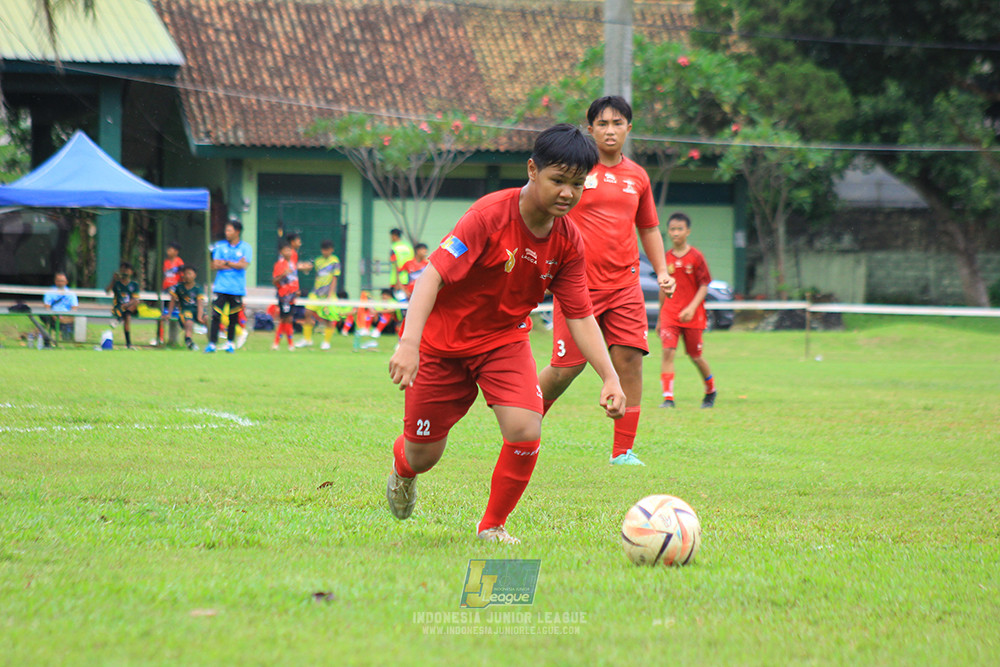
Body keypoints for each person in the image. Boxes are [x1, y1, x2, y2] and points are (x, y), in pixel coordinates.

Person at [385, 124, 627, 545]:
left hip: (503, 341)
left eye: (577, 184)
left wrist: (609, 376)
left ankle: (492, 526)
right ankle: (404, 471)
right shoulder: (488, 216)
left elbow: (581, 315)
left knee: (525, 428)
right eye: (558, 180)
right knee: (423, 455)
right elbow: (431, 276)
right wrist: (409, 344)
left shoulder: (569, 241)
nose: (567, 193)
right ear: (532, 170)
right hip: (442, 345)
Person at [537, 95, 675, 467]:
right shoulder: (575, 173)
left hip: (626, 285)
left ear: (629, 128)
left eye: (617, 123)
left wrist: (662, 271)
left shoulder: (638, 176)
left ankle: (622, 452)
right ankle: (524, 423)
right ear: (590, 128)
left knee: (630, 359)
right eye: (602, 124)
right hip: (577, 286)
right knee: (567, 367)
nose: (610, 131)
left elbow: (649, 228)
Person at [658, 211, 717, 409]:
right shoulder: (665, 258)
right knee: (667, 352)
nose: (675, 233)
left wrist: (692, 308)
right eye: (672, 229)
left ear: (687, 231)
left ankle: (710, 390)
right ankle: (668, 398)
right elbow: (663, 288)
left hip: (693, 315)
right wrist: (660, 317)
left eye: (679, 229)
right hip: (670, 314)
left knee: (695, 356)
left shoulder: (696, 257)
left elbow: (704, 285)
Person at [206, 221, 252, 353]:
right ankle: (212, 343)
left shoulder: (246, 247)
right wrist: (234, 264)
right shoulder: (220, 246)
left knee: (233, 317)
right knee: (215, 315)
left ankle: (230, 343)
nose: (226, 233)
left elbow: (243, 265)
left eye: (229, 230)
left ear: (237, 232)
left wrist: (225, 263)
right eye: (226, 230)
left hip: (237, 288)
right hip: (221, 286)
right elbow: (215, 265)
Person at [299, 239, 342, 348]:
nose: (325, 252)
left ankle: (326, 342)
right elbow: (316, 275)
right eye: (323, 250)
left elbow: (334, 278)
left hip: (328, 294)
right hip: (316, 293)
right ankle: (307, 339)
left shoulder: (335, 261)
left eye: (327, 250)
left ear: (331, 250)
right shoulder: (318, 261)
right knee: (307, 312)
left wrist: (330, 295)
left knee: (328, 317)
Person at [167, 265, 206, 351]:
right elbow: (172, 301)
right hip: (186, 310)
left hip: (197, 310)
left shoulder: (198, 288)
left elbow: (200, 303)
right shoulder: (179, 287)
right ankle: (189, 341)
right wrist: (169, 313)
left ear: (195, 275)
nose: (187, 276)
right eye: (185, 274)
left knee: (208, 319)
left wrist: (200, 316)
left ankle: (212, 342)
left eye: (189, 274)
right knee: (189, 322)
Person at [272, 241, 300, 351]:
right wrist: (283, 274)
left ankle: (282, 343)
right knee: (285, 319)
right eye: (286, 250)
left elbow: (294, 278)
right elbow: (275, 280)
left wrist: (297, 289)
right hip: (284, 296)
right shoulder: (279, 264)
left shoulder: (292, 263)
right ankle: (284, 343)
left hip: (292, 295)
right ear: (281, 252)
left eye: (290, 250)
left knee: (288, 318)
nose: (289, 252)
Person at [106, 262, 140, 350]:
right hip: (119, 307)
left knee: (136, 302)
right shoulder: (117, 283)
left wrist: (127, 304)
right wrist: (113, 280)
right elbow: (107, 290)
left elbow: (135, 298)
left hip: (130, 307)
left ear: (131, 272)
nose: (124, 272)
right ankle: (128, 343)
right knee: (127, 316)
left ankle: (118, 320)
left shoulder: (134, 284)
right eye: (123, 270)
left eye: (127, 270)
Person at [158, 242, 184, 345]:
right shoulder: (166, 262)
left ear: (176, 252)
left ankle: (174, 339)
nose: (168, 251)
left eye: (170, 249)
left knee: (174, 314)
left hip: (175, 290)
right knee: (162, 314)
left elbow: (182, 276)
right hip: (166, 289)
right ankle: (160, 337)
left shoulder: (179, 262)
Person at [42, 271, 78, 341]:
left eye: (62, 281)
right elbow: (47, 307)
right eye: (58, 281)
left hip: (67, 316)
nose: (60, 283)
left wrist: (67, 318)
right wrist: (54, 316)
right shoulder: (49, 292)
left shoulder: (71, 293)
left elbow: (74, 308)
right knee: (43, 315)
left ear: (66, 282)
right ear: (55, 281)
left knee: (72, 322)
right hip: (53, 316)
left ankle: (67, 337)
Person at [388, 228, 414, 298]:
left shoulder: (394, 248)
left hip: (396, 281)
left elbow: (395, 264)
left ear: (394, 236)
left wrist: (397, 282)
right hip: (408, 279)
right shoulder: (409, 247)